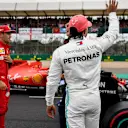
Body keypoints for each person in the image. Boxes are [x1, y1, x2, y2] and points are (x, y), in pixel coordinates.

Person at [45, 0, 119, 128]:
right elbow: (113, 34)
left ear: (70, 31)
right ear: (85, 31)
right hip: (94, 99)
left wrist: (49, 102)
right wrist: (112, 14)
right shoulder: (96, 44)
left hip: (75, 99)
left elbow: (52, 80)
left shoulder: (60, 52)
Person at [0, 25, 15, 128]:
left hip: (5, 84)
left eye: (11, 33)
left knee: (3, 109)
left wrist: (11, 62)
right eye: (8, 33)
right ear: (1, 34)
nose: (10, 36)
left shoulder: (6, 48)